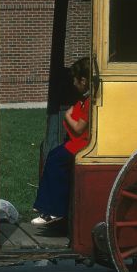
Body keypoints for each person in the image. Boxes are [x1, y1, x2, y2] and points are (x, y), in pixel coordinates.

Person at [31, 57, 91, 226]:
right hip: (76, 142)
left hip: (81, 144)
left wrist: (67, 115)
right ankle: (44, 205)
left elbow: (79, 128)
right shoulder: (85, 99)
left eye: (75, 79)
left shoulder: (88, 103)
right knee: (53, 155)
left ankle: (54, 210)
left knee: (56, 160)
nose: (73, 83)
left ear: (83, 80)